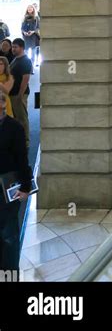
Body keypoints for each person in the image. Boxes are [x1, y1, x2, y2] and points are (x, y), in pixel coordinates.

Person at [0, 90, 32, 273]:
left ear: (3, 104)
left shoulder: (14, 128)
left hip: (6, 188)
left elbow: (22, 159)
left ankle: (9, 277)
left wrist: (26, 187)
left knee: (9, 236)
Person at [9, 39, 33, 149]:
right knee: (16, 118)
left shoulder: (25, 60)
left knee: (22, 118)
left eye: (15, 47)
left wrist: (20, 94)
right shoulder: (16, 59)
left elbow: (25, 79)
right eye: (12, 47)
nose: (13, 49)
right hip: (12, 93)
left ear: (22, 47)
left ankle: (25, 142)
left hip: (19, 94)